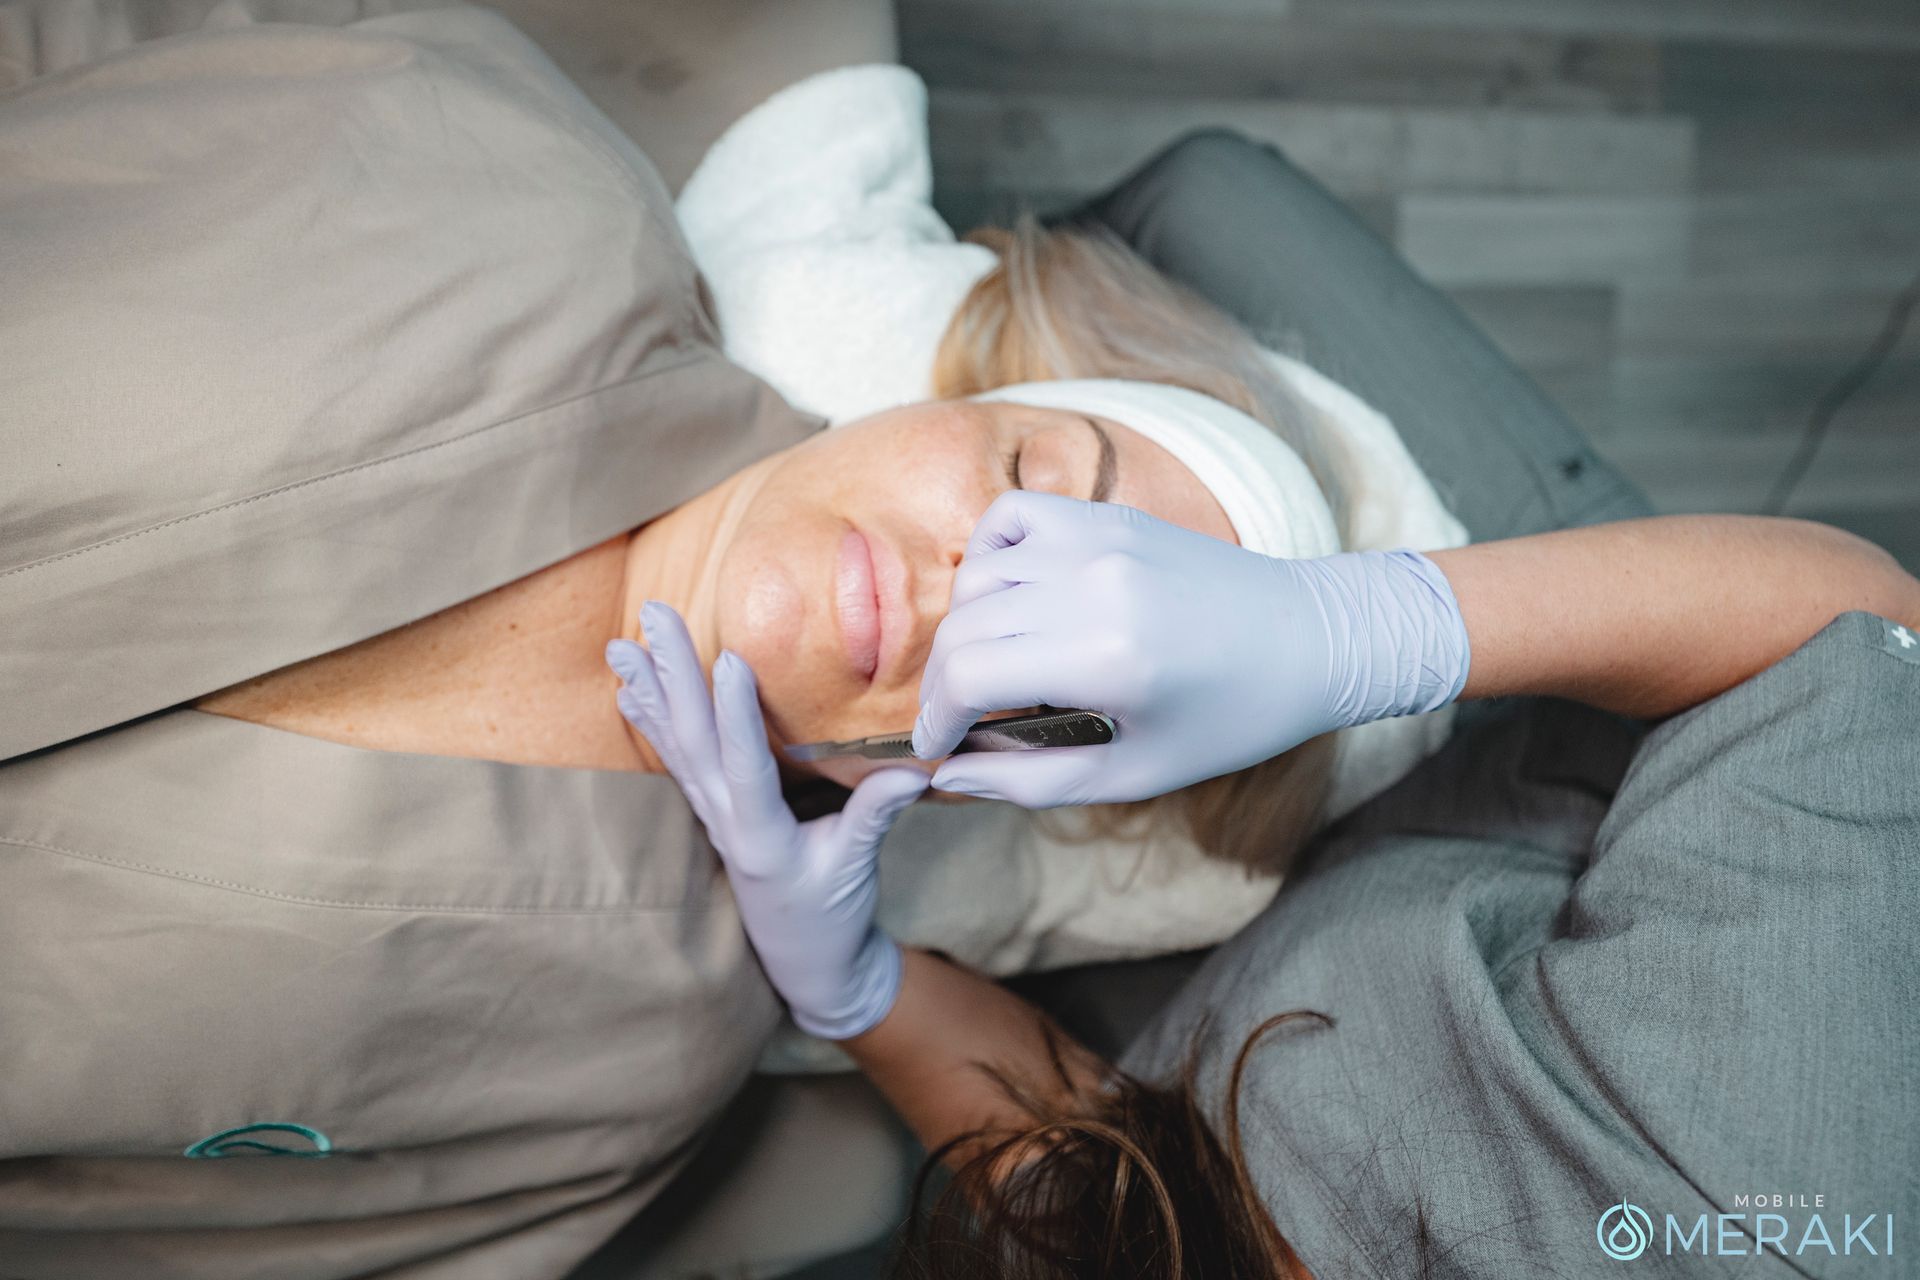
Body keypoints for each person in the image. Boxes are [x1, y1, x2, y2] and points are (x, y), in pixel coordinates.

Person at [607, 138, 1920, 1275]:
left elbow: (1098, 1184)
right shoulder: (1762, 1197)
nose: (963, 594)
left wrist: (861, 995)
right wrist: (1356, 628)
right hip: (1629, 713)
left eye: (1029, 671)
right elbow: (1860, 628)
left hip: (1297, 953)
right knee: (1203, 192)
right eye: (1032, 474)